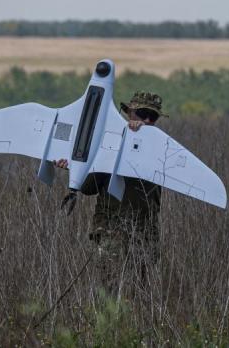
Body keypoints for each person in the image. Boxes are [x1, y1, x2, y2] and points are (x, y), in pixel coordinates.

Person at [55, 91, 166, 294]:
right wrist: (75, 169)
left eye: (152, 117)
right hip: (110, 228)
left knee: (140, 290)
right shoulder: (113, 142)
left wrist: (138, 141)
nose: (146, 121)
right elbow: (89, 188)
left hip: (144, 231)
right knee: (110, 287)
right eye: (139, 114)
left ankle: (133, 325)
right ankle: (109, 325)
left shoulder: (162, 149)